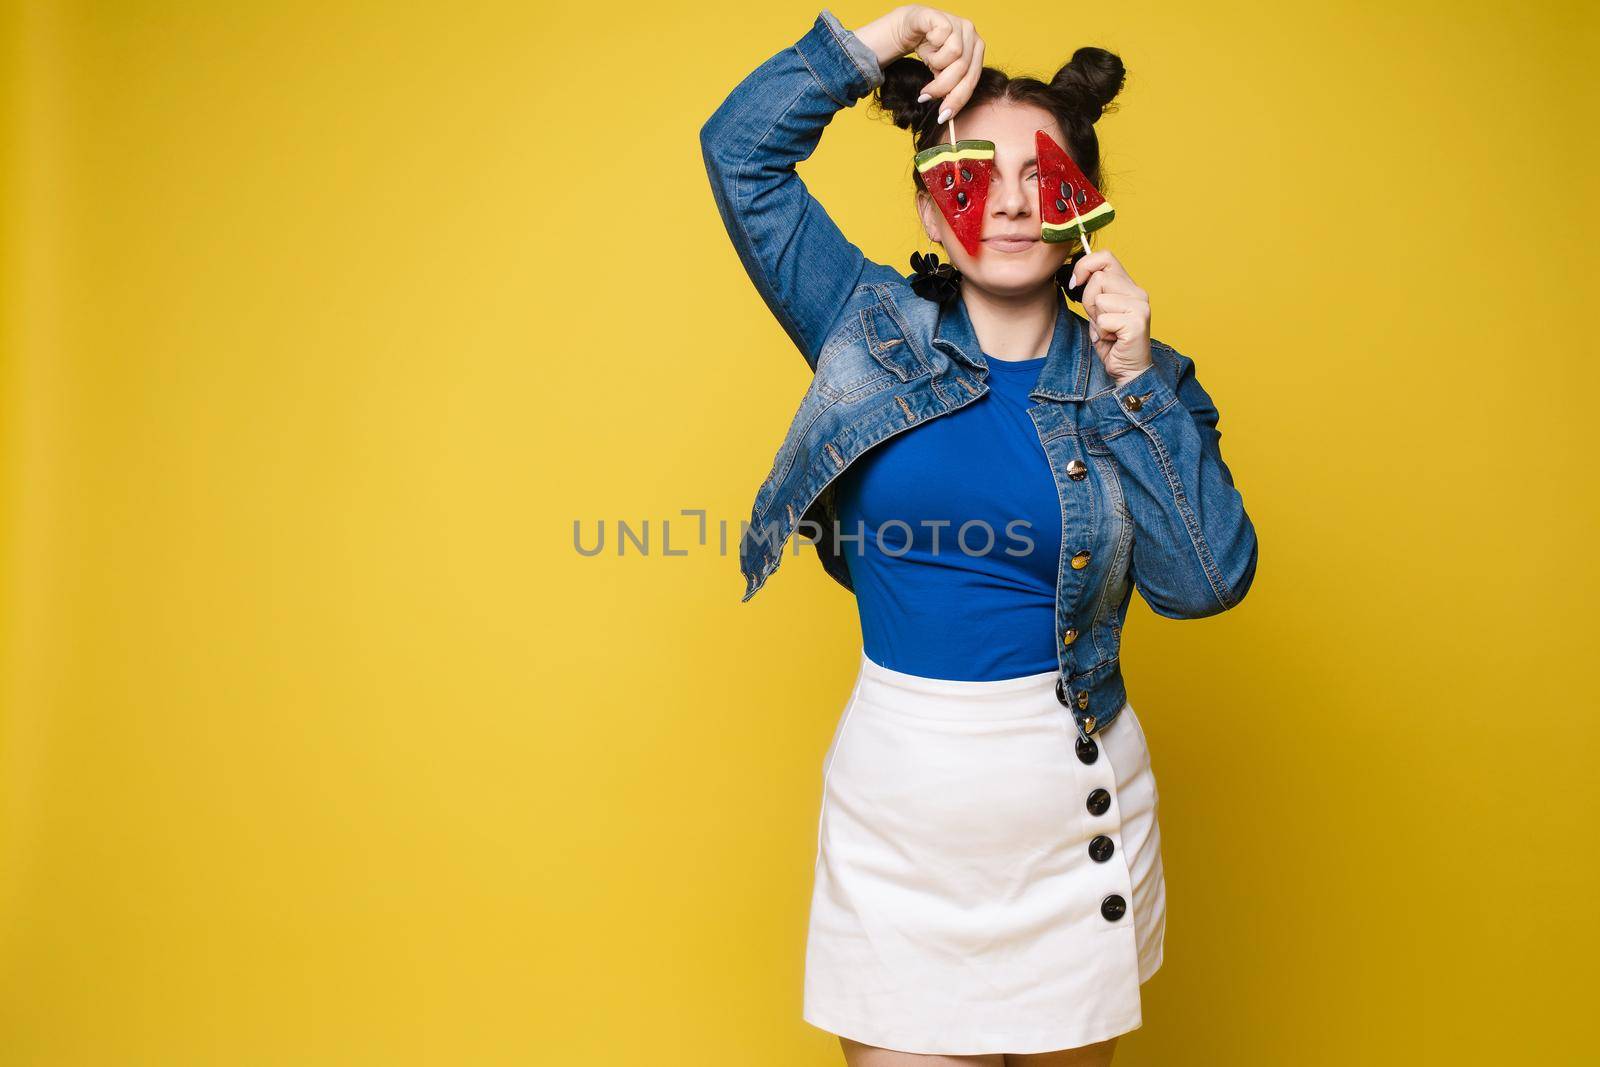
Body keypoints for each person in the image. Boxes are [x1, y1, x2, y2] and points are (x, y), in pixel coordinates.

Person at [699, 7, 1259, 1065]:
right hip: (900, 816)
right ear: (925, 199)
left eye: (1039, 176)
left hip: (1073, 810)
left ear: (1084, 204)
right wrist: (885, 36)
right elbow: (739, 152)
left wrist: (1136, 382)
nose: (1005, 203)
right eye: (969, 174)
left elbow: (1205, 582)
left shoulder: (1147, 377)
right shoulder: (860, 322)